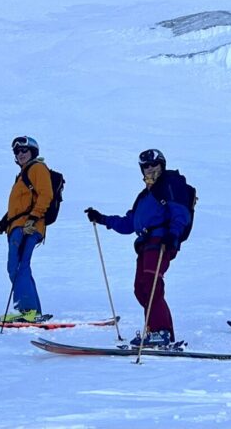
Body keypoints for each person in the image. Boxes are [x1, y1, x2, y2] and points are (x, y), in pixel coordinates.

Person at [85, 148, 191, 347]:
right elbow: (129, 223)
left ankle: (161, 332)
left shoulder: (169, 184)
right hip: (145, 244)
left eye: (154, 165)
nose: (150, 169)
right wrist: (102, 219)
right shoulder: (145, 195)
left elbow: (180, 212)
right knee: (141, 289)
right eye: (146, 166)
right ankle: (156, 331)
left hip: (160, 241)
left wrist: (173, 234)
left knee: (151, 286)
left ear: (162, 165)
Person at [0, 135, 53, 323]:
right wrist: (5, 221)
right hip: (18, 226)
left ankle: (28, 310)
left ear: (33, 152)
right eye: (17, 151)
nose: (20, 154)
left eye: (24, 150)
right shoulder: (23, 175)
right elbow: (21, 205)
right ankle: (31, 310)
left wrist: (34, 218)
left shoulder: (37, 168)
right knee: (19, 266)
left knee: (17, 266)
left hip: (28, 227)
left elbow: (46, 194)